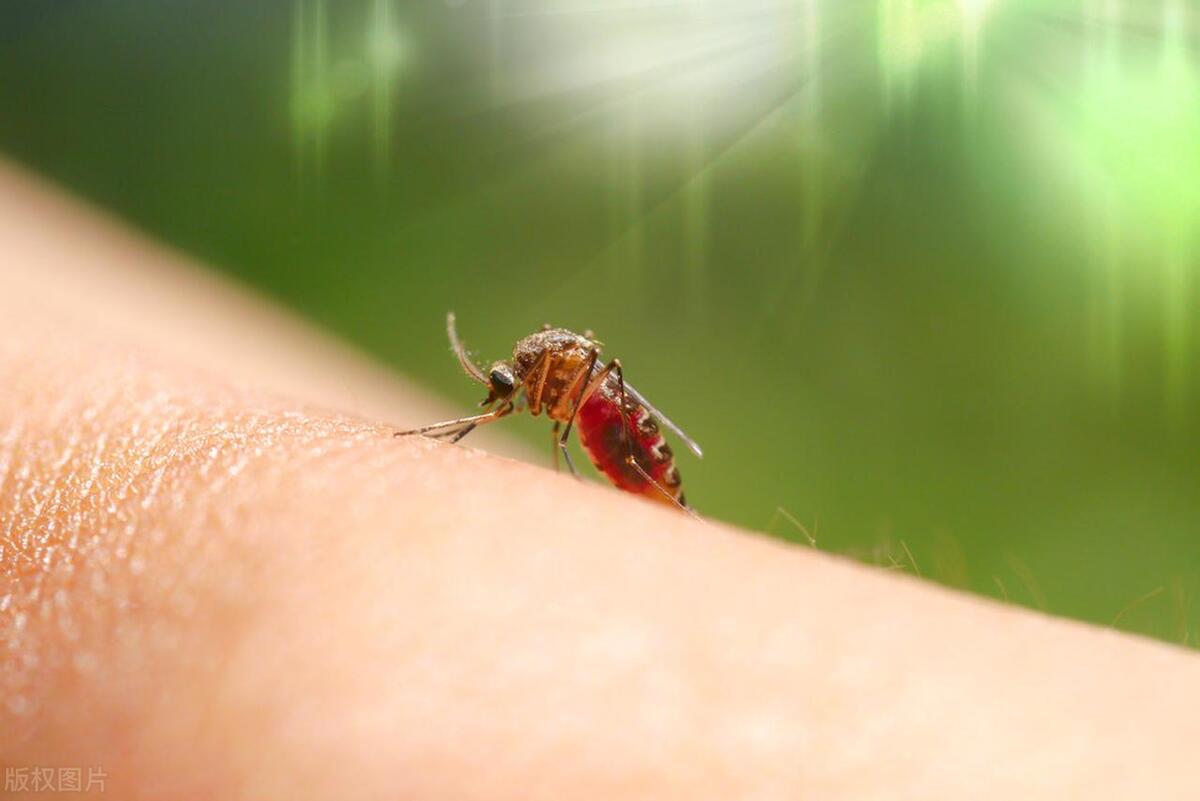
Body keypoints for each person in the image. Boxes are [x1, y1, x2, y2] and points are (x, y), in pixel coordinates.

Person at [1, 162, 1197, 800]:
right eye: (510, 394)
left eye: (502, 390)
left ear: (529, 389)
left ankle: (645, 500)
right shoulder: (535, 383)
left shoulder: (566, 391)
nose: (501, 394)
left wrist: (593, 434)